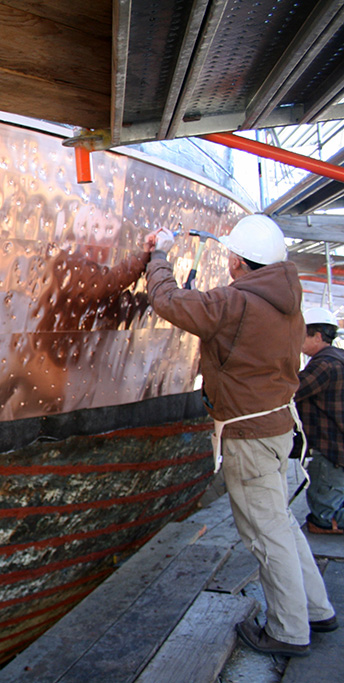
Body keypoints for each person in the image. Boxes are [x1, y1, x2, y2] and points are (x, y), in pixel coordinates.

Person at [145, 214, 337, 659]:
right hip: (276, 428)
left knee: (266, 535)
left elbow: (168, 301)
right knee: (281, 524)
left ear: (238, 261)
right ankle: (316, 609)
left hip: (249, 434)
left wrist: (159, 254)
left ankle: (289, 631)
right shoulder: (289, 304)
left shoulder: (237, 303)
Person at [296, 306, 344, 534]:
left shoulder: (324, 364)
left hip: (331, 449)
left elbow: (291, 391)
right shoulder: (338, 357)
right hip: (337, 447)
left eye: (301, 336)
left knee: (322, 517)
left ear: (317, 336)